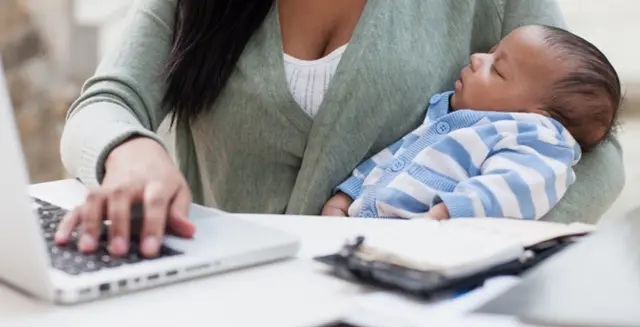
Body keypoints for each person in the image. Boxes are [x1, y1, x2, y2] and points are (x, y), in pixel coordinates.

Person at [55, 0, 625, 259]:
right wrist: (129, 151)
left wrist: (459, 248)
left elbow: (594, 152)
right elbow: (108, 102)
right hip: (213, 302)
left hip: (398, 318)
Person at [322, 25, 621, 221]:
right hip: (363, 232)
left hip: (425, 248)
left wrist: (451, 213)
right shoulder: (447, 116)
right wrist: (348, 194)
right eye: (490, 53)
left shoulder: (537, 137)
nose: (477, 59)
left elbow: (516, 186)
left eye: (497, 69)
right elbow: (396, 155)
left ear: (538, 115)